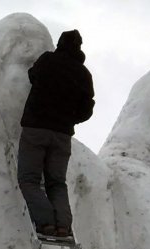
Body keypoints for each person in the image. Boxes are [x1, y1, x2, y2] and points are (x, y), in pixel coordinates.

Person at [17, 29, 94, 237]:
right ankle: (62, 225)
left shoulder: (47, 60)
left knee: (29, 179)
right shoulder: (84, 74)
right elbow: (87, 109)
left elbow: (32, 75)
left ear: (60, 44)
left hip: (36, 129)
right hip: (62, 135)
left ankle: (45, 222)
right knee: (56, 183)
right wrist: (69, 119)